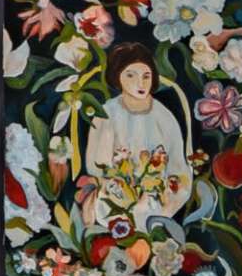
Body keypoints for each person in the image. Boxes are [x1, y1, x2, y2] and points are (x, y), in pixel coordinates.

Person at [78, 40, 195, 233]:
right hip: (115, 195)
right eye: (130, 75)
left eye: (146, 76)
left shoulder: (163, 116)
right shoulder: (106, 113)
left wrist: (160, 192)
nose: (140, 83)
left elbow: (177, 166)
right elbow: (95, 166)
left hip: (156, 198)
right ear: (118, 77)